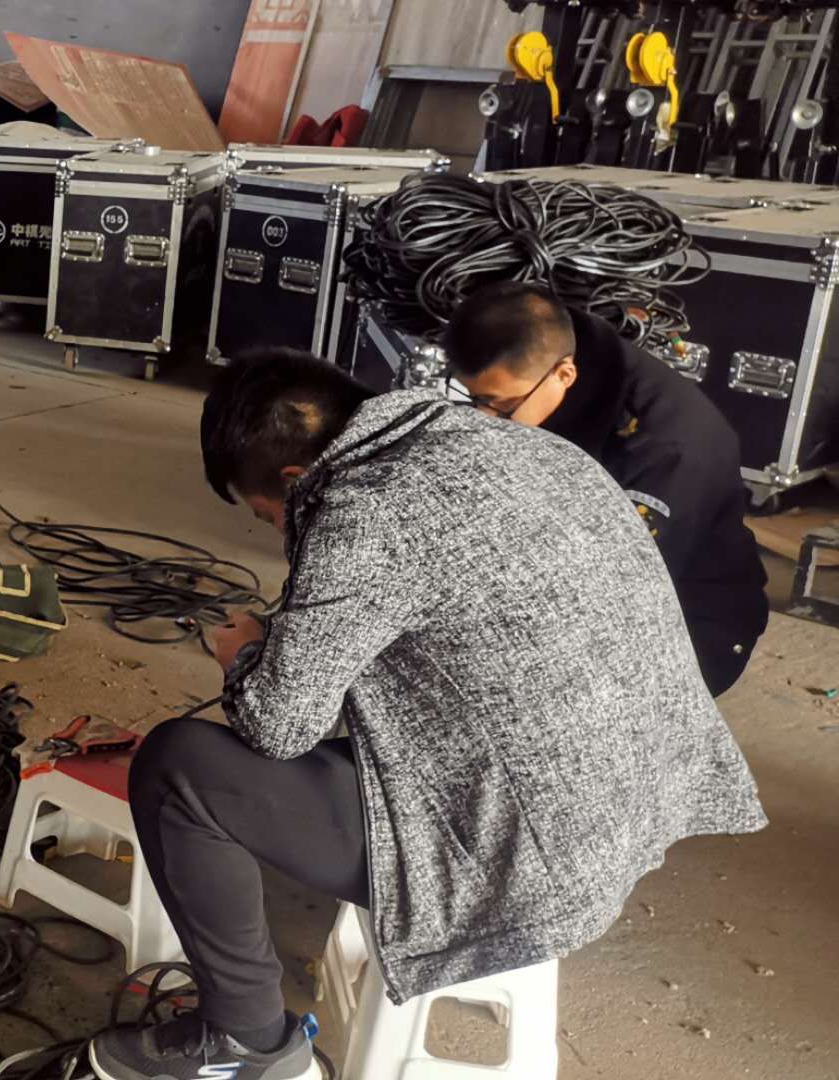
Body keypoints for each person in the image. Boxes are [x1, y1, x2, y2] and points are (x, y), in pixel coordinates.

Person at [87, 350, 767, 1080]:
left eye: (266, 514)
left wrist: (248, 655)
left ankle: (243, 1042)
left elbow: (280, 726)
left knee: (179, 768)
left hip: (534, 857)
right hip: (636, 802)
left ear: (295, 477)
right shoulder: (528, 445)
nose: (275, 528)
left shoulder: (368, 509)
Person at [444, 283, 768, 694]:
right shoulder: (549, 351)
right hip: (584, 562)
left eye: (501, 406)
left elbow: (612, 592)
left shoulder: (663, 450)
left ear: (564, 375)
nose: (484, 419)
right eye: (472, 399)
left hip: (685, 622)